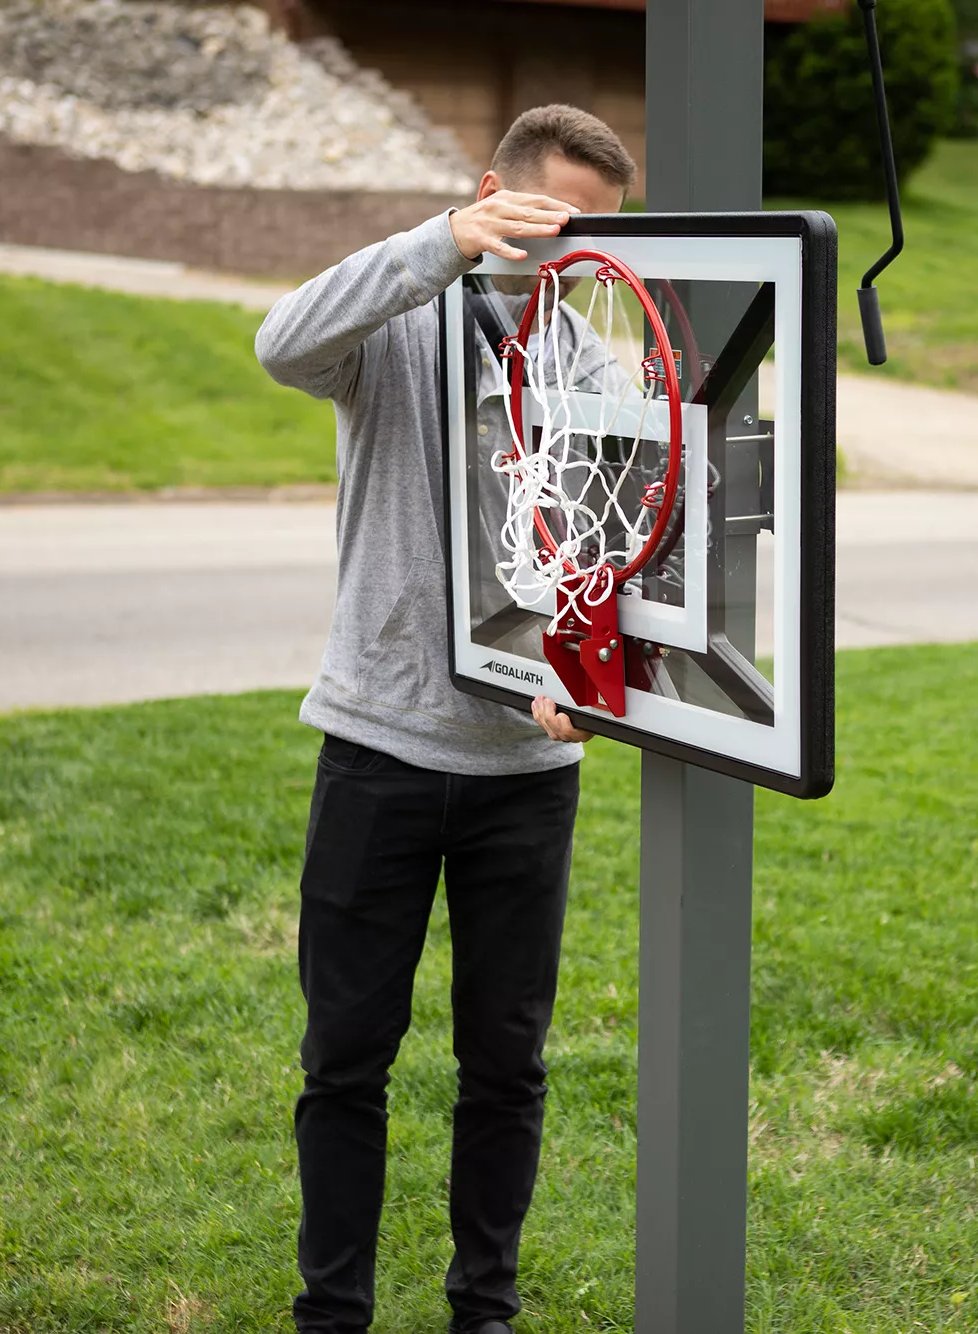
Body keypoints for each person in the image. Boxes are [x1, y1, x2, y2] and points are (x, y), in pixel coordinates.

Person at [253, 105, 637, 1334]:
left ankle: (485, 1307)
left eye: (600, 234)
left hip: (527, 769)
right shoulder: (395, 321)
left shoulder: (590, 353)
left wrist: (587, 676)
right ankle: (333, 1313)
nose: (575, 252)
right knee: (345, 1059)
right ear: (493, 194)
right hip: (379, 747)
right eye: (553, 221)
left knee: (506, 1066)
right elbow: (279, 339)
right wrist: (444, 242)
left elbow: (611, 544)